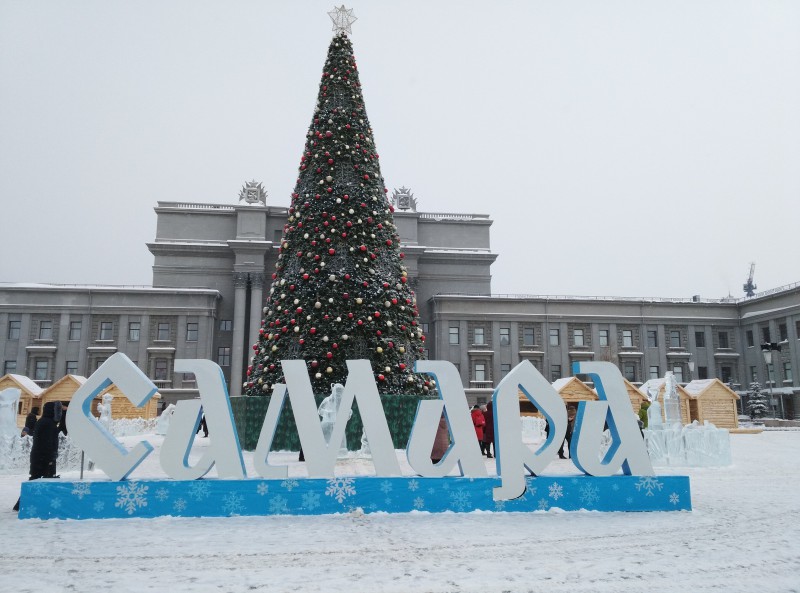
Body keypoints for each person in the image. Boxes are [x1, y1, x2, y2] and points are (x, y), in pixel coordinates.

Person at [14, 401, 62, 511]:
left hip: (40, 457)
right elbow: (47, 443)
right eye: (57, 411)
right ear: (52, 411)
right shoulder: (48, 424)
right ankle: (22, 504)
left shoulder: (45, 422)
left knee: (38, 480)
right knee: (37, 481)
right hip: (43, 458)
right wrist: (50, 458)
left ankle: (27, 503)